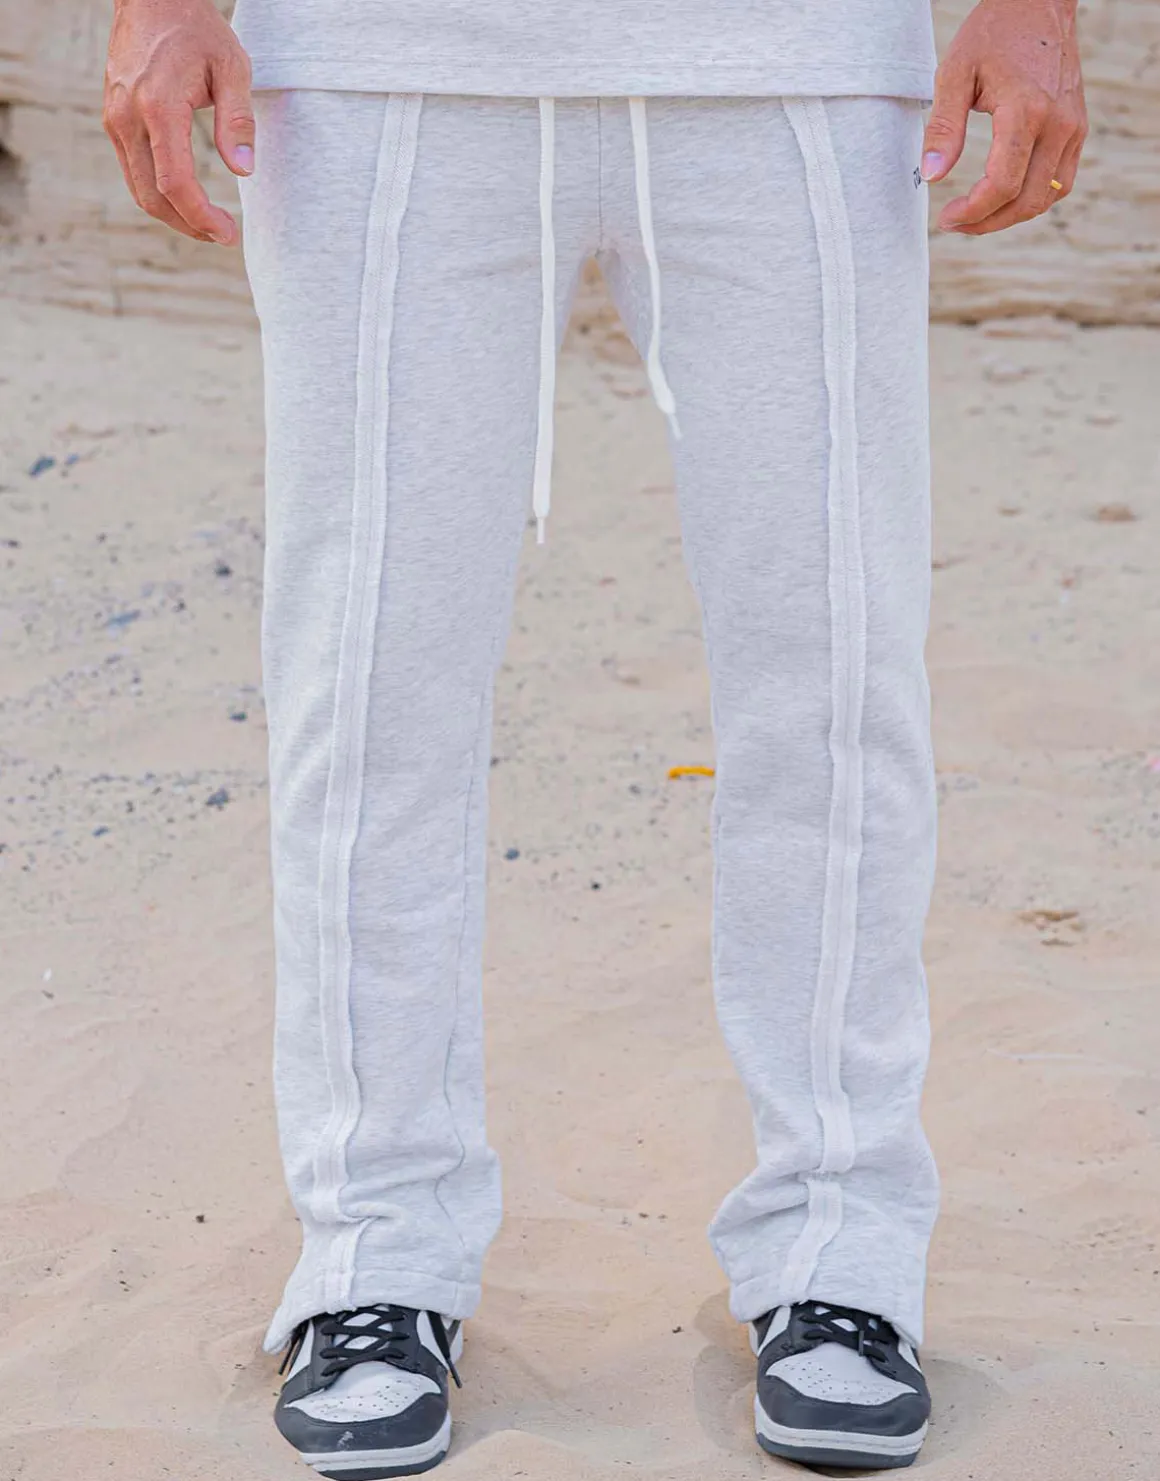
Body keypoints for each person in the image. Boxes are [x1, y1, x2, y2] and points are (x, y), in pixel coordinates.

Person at [103, 0, 1086, 1474]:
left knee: (834, 677)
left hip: (794, 58)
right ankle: (375, 1256)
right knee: (365, 688)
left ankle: (842, 1251)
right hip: (379, 60)